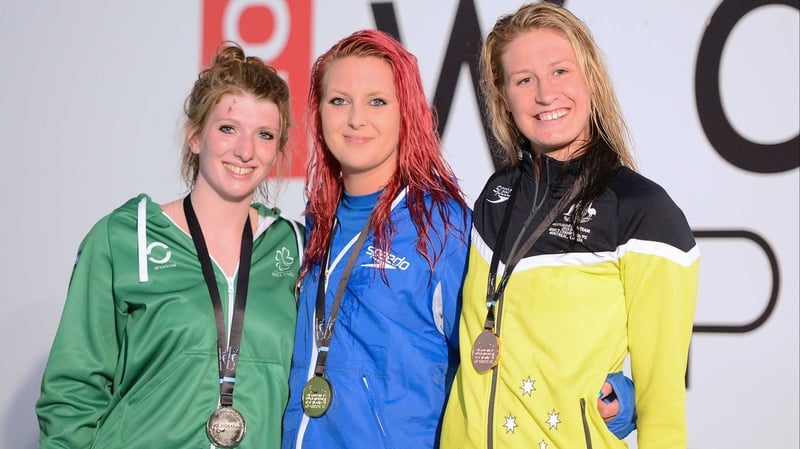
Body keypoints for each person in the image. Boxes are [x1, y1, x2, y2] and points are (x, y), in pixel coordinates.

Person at [440, 2, 699, 449]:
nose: (544, 94)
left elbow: (663, 405)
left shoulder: (644, 211)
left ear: (591, 79)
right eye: (524, 80)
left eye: (560, 71)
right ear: (503, 98)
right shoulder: (493, 197)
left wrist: (626, 404)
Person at [35, 43, 303, 449]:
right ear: (195, 136)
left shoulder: (293, 247)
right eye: (227, 128)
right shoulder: (125, 237)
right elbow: (71, 392)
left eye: (264, 135)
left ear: (278, 149)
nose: (245, 151)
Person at [279, 29, 471, 449]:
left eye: (377, 102)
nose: (355, 119)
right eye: (339, 101)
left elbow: (494, 362)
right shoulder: (312, 226)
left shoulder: (442, 228)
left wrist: (617, 403)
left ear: (408, 113)